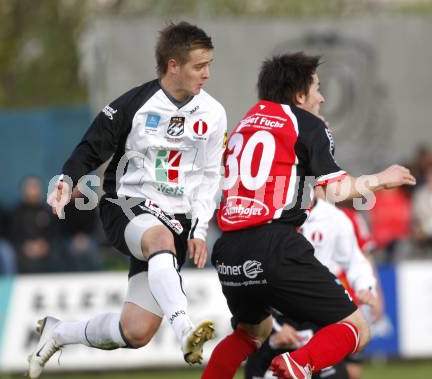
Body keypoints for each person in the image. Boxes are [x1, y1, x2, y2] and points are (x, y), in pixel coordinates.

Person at [28, 21, 227, 378]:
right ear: (173, 66)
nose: (207, 74)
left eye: (209, 64)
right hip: (126, 206)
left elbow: (210, 177)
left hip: (177, 220)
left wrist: (198, 229)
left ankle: (58, 332)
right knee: (160, 238)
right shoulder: (133, 105)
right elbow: (90, 148)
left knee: (135, 332)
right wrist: (66, 181)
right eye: (199, 66)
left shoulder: (213, 113)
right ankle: (185, 331)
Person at [201, 52, 415, 379]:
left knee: (250, 334)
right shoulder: (307, 123)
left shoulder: (244, 124)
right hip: (275, 245)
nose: (322, 97)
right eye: (317, 88)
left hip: (230, 250)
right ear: (300, 95)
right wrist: (382, 179)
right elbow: (335, 191)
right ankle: (298, 364)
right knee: (356, 330)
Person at [244, 190, 380, 379]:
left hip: (319, 311)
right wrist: (275, 326)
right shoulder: (270, 215)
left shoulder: (335, 218)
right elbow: (252, 277)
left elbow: (356, 260)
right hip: (278, 315)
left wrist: (365, 286)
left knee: (345, 368)